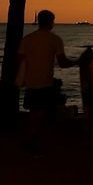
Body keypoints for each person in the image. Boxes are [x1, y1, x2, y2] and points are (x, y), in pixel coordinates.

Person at [16, 10, 76, 151]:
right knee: (42, 114)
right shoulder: (55, 39)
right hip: (45, 81)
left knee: (34, 112)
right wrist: (77, 62)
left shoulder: (28, 39)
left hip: (30, 81)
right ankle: (34, 142)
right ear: (51, 22)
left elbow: (19, 60)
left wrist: (22, 77)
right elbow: (62, 62)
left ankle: (32, 140)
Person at [77, 47, 93, 125]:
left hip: (89, 85)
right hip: (90, 85)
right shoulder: (90, 62)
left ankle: (90, 122)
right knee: (91, 103)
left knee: (89, 103)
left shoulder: (88, 62)